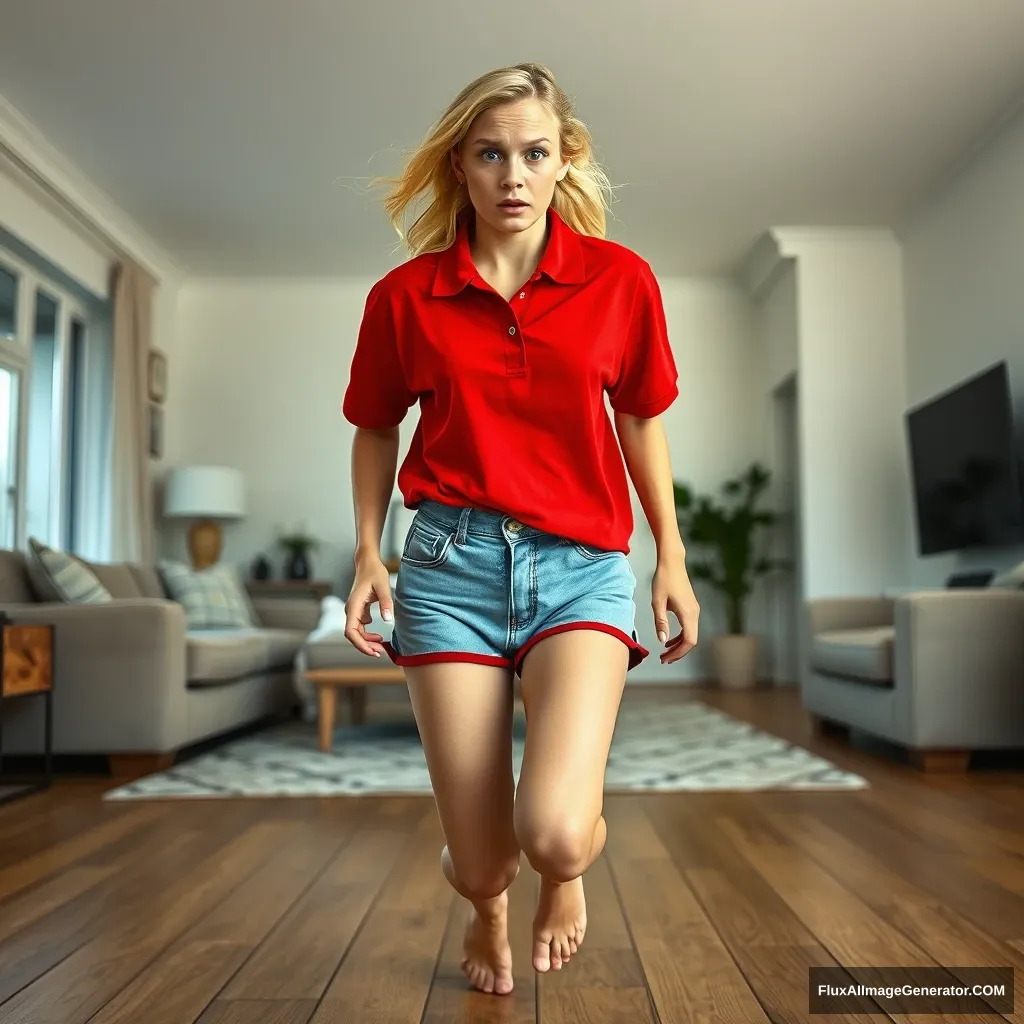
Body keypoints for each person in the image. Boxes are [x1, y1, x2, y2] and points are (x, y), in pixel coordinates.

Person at [341, 62, 699, 996]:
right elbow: (377, 427)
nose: (512, 175)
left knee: (552, 834)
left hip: (580, 566)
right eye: (490, 153)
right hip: (447, 571)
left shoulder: (621, 281)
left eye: (534, 153)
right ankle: (490, 908)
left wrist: (673, 555)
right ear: (458, 164)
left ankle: (568, 867)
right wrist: (369, 555)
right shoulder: (404, 298)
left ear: (563, 160)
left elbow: (640, 420)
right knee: (480, 861)